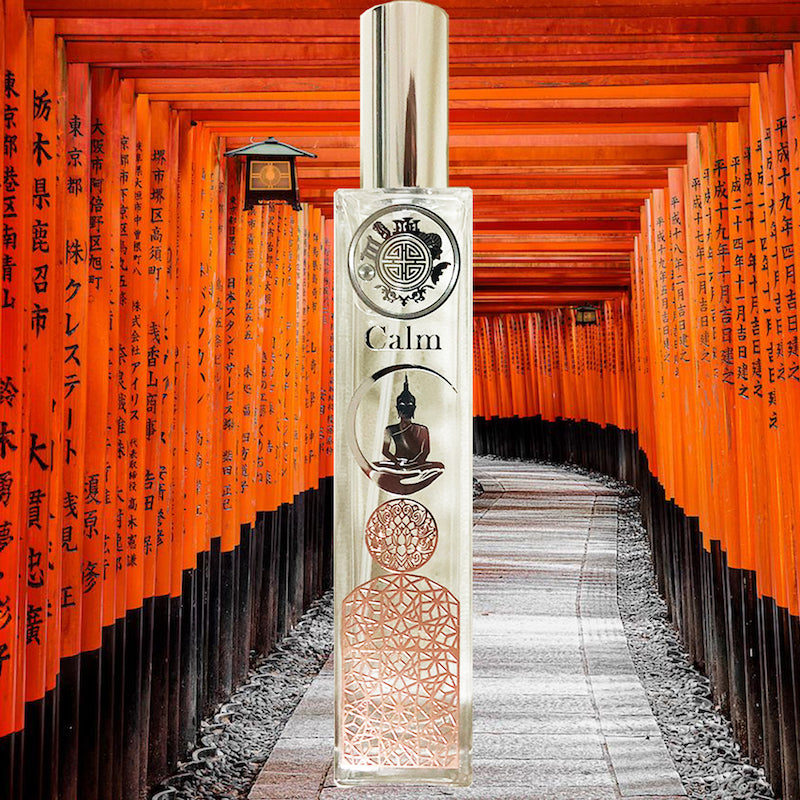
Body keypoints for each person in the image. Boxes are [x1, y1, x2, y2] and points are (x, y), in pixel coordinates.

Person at [372, 376, 444, 494]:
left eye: (409, 405)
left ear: (414, 408)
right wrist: (397, 462)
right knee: (374, 466)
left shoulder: (422, 429)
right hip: (396, 463)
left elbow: (425, 451)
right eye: (402, 405)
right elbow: (385, 451)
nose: (406, 408)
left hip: (416, 465)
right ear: (397, 408)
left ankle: (408, 475)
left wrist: (413, 464)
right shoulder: (390, 429)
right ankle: (405, 475)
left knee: (439, 466)